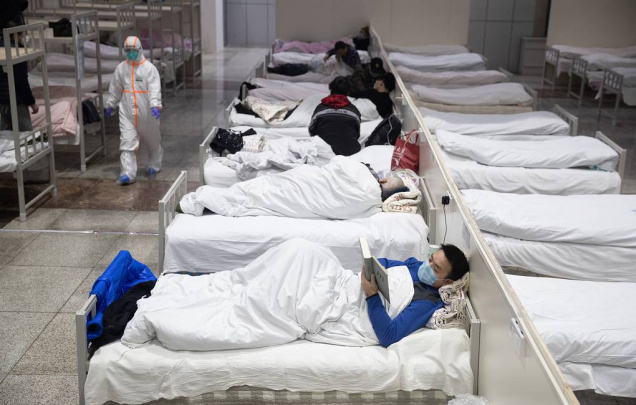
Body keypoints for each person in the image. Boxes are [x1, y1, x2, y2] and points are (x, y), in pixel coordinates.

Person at [362, 244, 470, 347]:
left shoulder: (426, 301)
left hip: (363, 303)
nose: (427, 266)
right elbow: (384, 263)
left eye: (435, 269)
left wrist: (372, 295)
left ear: (447, 281)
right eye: (430, 259)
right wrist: (373, 271)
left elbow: (389, 336)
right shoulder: (417, 265)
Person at [106, 36, 162, 185]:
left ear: (139, 50)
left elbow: (154, 88)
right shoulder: (121, 68)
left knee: (152, 140)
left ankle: (154, 165)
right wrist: (111, 103)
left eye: (133, 50)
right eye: (128, 51)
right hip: (127, 112)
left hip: (147, 112)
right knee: (126, 142)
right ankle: (127, 173)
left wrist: (155, 104)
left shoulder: (149, 68)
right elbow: (115, 87)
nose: (130, 53)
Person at [0, 0, 37, 132]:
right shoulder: (16, 52)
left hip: (2, 101)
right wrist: (32, 102)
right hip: (16, 101)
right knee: (26, 137)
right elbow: (21, 81)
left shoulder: (2, 48)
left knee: (6, 136)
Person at [308, 77, 361, 156]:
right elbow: (357, 134)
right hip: (349, 152)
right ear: (348, 92)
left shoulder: (320, 108)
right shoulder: (353, 110)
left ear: (331, 90)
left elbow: (311, 130)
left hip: (323, 152)